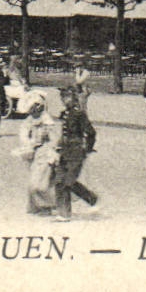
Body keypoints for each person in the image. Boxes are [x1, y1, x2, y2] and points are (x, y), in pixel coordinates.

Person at [53, 88, 98, 222]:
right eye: (62, 98)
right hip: (64, 151)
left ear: (73, 98)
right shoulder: (65, 113)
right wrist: (58, 147)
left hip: (76, 152)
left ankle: (91, 199)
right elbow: (64, 133)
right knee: (59, 181)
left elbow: (91, 132)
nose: (64, 100)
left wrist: (88, 148)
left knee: (69, 182)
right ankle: (63, 213)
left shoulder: (79, 114)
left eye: (66, 97)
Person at [15, 93, 59, 216]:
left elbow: (54, 139)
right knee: (33, 180)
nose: (32, 112)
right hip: (33, 153)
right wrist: (29, 143)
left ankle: (47, 206)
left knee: (40, 182)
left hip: (45, 153)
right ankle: (35, 206)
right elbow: (23, 136)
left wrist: (50, 148)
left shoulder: (46, 121)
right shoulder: (29, 121)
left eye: (34, 109)